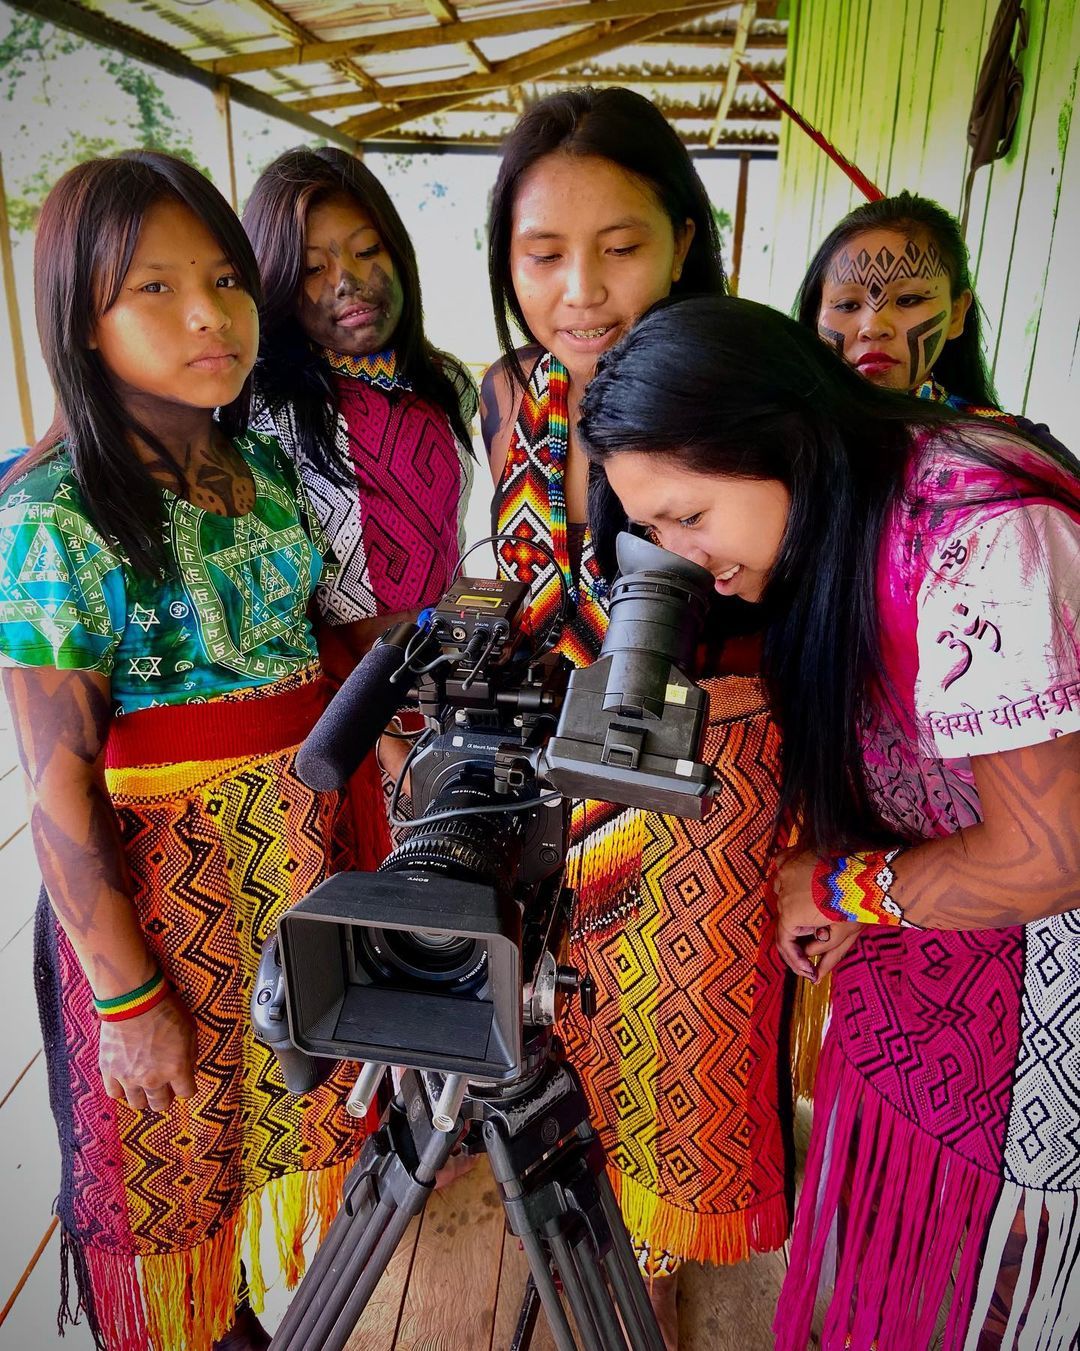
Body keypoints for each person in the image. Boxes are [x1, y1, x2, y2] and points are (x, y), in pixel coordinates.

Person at [578, 291, 1080, 1351]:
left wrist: (840, 884)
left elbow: (1051, 856)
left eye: (689, 514)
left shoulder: (975, 536)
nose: (679, 554)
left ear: (782, 439)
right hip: (936, 976)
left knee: (989, 1292)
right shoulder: (855, 511)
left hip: (1042, 1017)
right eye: (653, 528)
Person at [0, 152, 367, 1351]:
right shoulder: (56, 512)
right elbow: (55, 778)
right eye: (153, 289)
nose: (210, 314)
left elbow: (320, 647)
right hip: (169, 903)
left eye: (223, 277)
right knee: (174, 1148)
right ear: (79, 319)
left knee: (286, 1128)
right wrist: (126, 991)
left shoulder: (260, 470)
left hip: (292, 871)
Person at [482, 88, 792, 1345]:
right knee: (576, 1007)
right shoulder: (508, 391)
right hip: (565, 746)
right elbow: (520, 574)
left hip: (717, 761)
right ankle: (579, 1212)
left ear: (682, 237)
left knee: (692, 1027)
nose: (581, 292)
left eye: (621, 247)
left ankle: (658, 1248)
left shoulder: (738, 374)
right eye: (543, 254)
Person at [796, 190, 1065, 446]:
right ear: (814, 316)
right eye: (847, 304)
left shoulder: (1014, 446)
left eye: (908, 299)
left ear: (957, 313)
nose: (873, 327)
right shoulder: (779, 444)